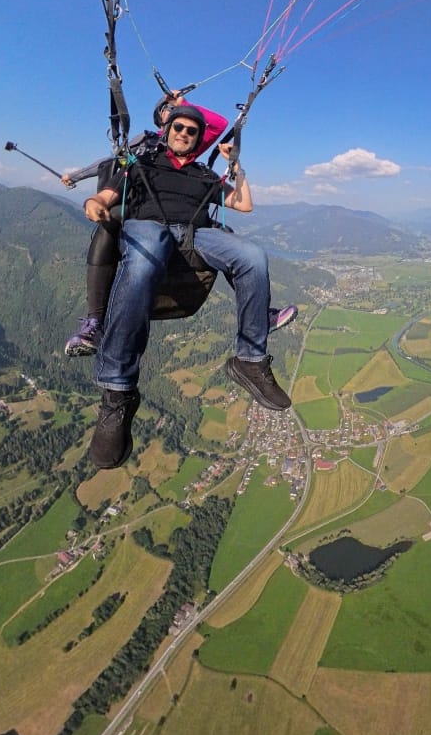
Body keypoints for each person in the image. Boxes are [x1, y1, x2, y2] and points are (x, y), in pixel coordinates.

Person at [78, 97, 291, 471]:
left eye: (192, 131)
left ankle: (251, 360)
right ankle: (116, 393)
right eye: (178, 127)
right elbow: (108, 194)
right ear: (167, 130)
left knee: (252, 256)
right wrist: (96, 202)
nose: (184, 134)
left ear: (198, 140)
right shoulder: (142, 163)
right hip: (148, 229)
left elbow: (243, 205)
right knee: (145, 260)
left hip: (194, 234)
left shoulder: (204, 176)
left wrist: (234, 164)